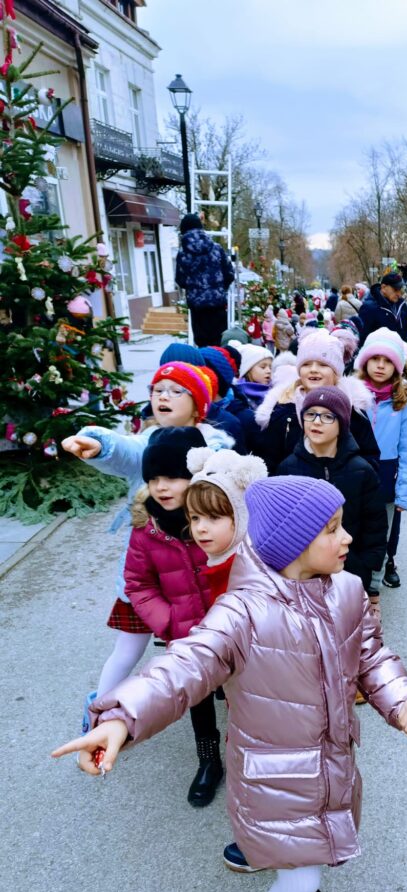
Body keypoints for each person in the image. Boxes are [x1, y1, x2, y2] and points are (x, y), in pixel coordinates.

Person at [52, 476, 407, 892]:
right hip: (273, 778)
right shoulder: (242, 612)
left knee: (314, 857)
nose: (348, 538)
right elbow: (185, 665)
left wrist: (404, 703)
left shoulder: (348, 591)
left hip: (331, 763)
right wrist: (121, 717)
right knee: (299, 872)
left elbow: (372, 657)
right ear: (293, 544)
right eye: (332, 530)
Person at [62, 361, 235, 721]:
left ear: (198, 403)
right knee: (127, 649)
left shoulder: (215, 448)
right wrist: (98, 442)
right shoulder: (148, 443)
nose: (163, 397)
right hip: (157, 570)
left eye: (175, 391)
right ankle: (98, 714)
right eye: (157, 390)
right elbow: (124, 448)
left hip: (203, 572)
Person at [123, 426, 228, 807]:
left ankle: (249, 753)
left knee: (242, 693)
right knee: (198, 698)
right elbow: (138, 584)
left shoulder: (220, 517)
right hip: (185, 634)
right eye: (153, 479)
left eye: (172, 477)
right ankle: (208, 760)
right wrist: (169, 621)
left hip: (230, 628)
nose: (161, 487)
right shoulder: (146, 530)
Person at [184, 445, 268, 867]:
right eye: (194, 517)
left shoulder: (245, 571)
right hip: (245, 686)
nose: (201, 528)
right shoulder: (222, 559)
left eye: (215, 517)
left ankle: (263, 842)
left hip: (262, 689)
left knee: (258, 759)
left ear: (241, 515)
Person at [276, 385, 388, 610]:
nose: (316, 422)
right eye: (310, 414)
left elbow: (375, 523)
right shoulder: (288, 468)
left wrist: (366, 566)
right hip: (302, 575)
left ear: (342, 423)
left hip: (350, 569)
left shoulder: (361, 470)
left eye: (328, 416)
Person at [255, 329, 379, 473]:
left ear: (336, 372)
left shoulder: (352, 409)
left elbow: (370, 458)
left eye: (323, 364)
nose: (313, 369)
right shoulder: (284, 409)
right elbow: (269, 461)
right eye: (306, 364)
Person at [355, 329, 407, 590]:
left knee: (381, 534)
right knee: (355, 529)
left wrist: (404, 493)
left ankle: (374, 587)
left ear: (397, 367)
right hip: (356, 473)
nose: (380, 366)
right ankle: (352, 582)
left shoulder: (403, 405)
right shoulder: (352, 397)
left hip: (386, 475)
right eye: (375, 359)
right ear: (365, 362)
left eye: (387, 361)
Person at [174, 213, 234, 346]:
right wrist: (220, 288)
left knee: (202, 344)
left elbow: (180, 280)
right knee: (220, 343)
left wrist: (193, 288)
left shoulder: (183, 254)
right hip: (217, 305)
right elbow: (229, 274)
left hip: (197, 308)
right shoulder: (217, 249)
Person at [358, 271, 407, 342]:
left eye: (400, 290)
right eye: (395, 290)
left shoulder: (402, 305)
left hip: (401, 348)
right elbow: (362, 338)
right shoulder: (368, 308)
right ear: (383, 287)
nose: (399, 294)